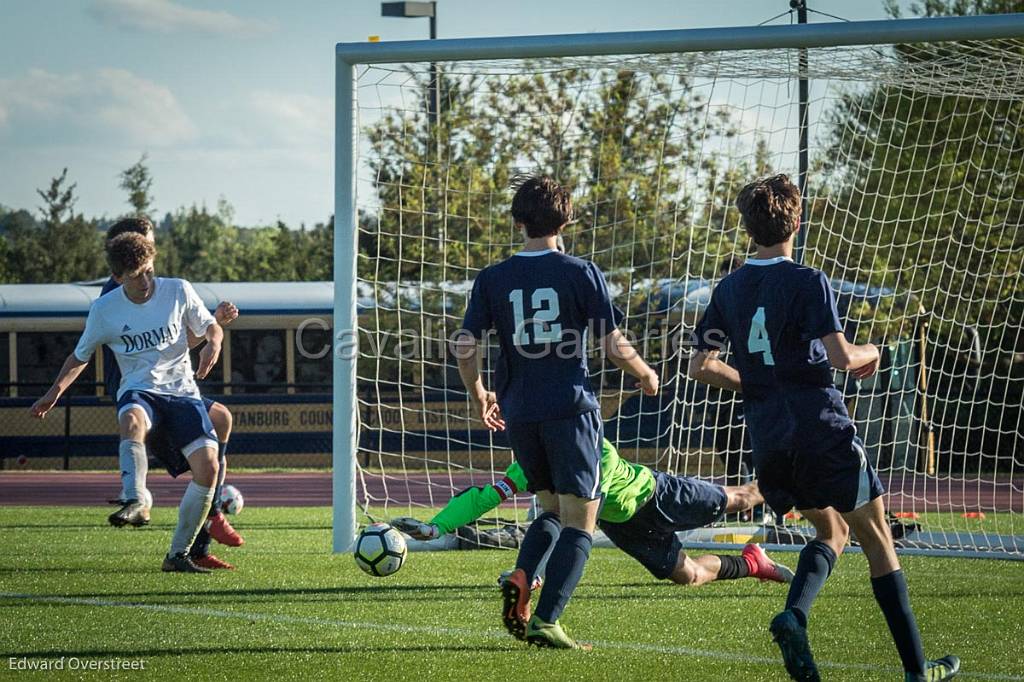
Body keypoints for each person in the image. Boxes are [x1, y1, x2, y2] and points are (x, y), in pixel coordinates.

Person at [687, 174, 959, 682]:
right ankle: (917, 672)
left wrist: (758, 383)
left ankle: (794, 615)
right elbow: (840, 358)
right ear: (797, 220)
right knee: (879, 541)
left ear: (748, 228)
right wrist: (874, 350)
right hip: (820, 428)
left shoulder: (729, 288)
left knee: (831, 531)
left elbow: (700, 365)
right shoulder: (809, 280)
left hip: (769, 438)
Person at [453, 174, 658, 650]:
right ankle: (547, 620)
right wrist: (645, 373)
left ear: (518, 221)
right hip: (570, 408)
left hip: (520, 411)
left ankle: (524, 575)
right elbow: (612, 343)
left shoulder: (493, 277)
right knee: (580, 521)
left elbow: (465, 344)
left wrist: (479, 390)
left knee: (547, 508)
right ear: (566, 219)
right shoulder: (579, 271)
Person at [31, 233, 224, 573]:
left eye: (149, 270)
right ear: (118, 277)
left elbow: (211, 327)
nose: (147, 280)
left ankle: (177, 555)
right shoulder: (105, 310)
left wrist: (213, 342)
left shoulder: (177, 289)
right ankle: (136, 499)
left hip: (182, 393)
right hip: (139, 390)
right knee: (131, 420)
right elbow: (80, 357)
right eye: (137, 275)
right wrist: (53, 392)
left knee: (209, 469)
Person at [395, 437, 792, 590]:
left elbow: (570, 519)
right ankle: (752, 563)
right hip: (625, 527)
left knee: (741, 499)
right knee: (688, 576)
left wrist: (537, 572)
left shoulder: (588, 445)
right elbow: (488, 495)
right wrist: (437, 525)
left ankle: (792, 474)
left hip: (657, 495)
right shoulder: (534, 457)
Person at [101, 217, 243, 570]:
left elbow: (176, 343)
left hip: (171, 385)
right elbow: (163, 348)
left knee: (222, 419)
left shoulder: (160, 287)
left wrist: (213, 326)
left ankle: (204, 523)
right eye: (146, 241)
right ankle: (177, 510)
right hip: (144, 391)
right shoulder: (119, 293)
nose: (152, 249)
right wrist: (212, 326)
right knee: (204, 452)